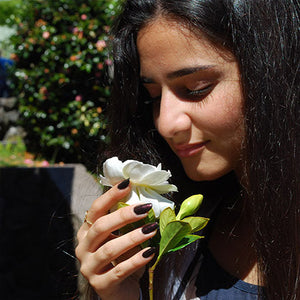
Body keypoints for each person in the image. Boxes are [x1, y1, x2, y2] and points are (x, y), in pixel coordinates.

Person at [75, 0, 299, 299]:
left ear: (274, 73)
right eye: (152, 96)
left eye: (196, 88)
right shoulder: (182, 234)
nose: (166, 123)